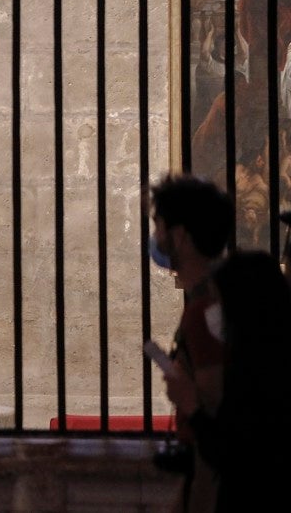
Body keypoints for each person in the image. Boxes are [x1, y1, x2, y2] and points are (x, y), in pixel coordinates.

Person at [163, 249, 291, 512]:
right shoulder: (257, 358)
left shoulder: (262, 372)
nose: (213, 314)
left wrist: (192, 407)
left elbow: (235, 455)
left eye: (219, 304)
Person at [150, 174, 232, 513]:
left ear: (179, 236)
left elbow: (217, 414)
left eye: (159, 226)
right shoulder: (218, 298)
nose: (155, 237)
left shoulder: (204, 313)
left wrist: (186, 397)